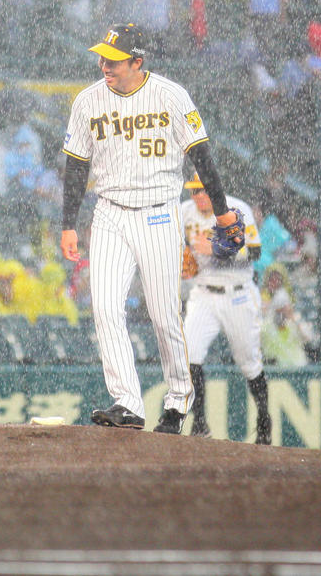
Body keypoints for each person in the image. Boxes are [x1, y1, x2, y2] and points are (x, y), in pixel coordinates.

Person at [60, 23, 243, 434]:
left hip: (159, 211)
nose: (104, 65)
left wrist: (222, 211)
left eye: (114, 60)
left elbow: (201, 155)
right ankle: (127, 402)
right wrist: (68, 224)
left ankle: (177, 402)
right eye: (102, 57)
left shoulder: (171, 95)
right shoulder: (88, 101)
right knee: (105, 309)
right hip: (108, 212)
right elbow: (76, 166)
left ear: (137, 62)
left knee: (163, 315)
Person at [179, 175, 271, 444]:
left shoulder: (235, 210)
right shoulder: (185, 212)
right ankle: (200, 423)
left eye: (203, 189)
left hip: (238, 295)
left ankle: (264, 422)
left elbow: (255, 252)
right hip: (204, 293)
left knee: (249, 363)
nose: (198, 195)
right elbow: (180, 247)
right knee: (189, 355)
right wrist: (182, 259)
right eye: (194, 190)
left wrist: (219, 247)